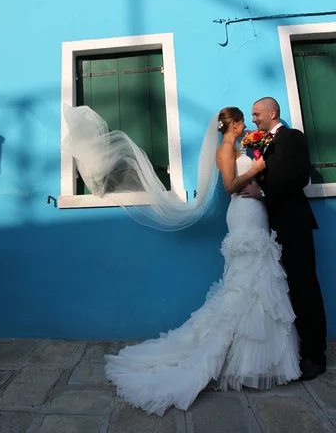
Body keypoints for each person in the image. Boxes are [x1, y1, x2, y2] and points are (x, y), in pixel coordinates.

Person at [104, 107, 301, 416]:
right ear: (233, 125)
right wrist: (255, 168)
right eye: (243, 121)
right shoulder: (225, 150)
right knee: (246, 282)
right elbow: (230, 186)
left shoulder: (240, 148)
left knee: (259, 282)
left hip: (257, 213)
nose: (247, 124)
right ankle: (237, 359)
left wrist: (259, 169)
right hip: (243, 216)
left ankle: (256, 362)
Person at [242, 97, 327, 381]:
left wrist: (263, 193)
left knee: (304, 287)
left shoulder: (292, 137)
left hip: (294, 224)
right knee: (284, 289)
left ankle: (315, 356)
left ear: (272, 112)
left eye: (256, 114)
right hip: (272, 226)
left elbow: (298, 177)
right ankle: (294, 349)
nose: (253, 119)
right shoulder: (260, 144)